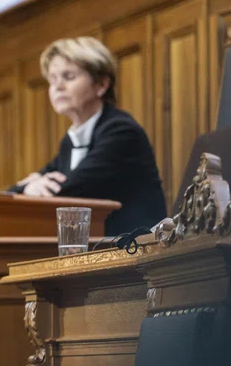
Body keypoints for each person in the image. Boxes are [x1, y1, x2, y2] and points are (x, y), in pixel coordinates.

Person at [9, 37, 167, 237]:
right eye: (52, 79)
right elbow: (12, 192)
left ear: (101, 84)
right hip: (99, 246)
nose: (57, 86)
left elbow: (67, 194)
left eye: (68, 77)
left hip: (138, 249)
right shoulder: (70, 141)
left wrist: (32, 188)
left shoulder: (121, 132)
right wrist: (30, 186)